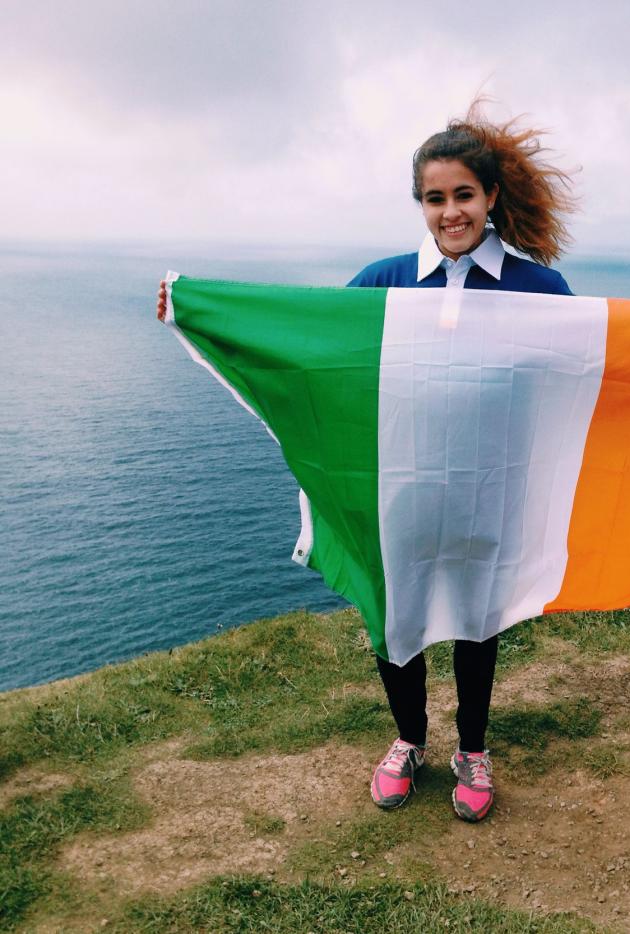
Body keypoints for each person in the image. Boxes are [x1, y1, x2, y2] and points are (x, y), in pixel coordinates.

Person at [157, 104, 576, 823]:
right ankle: (409, 738)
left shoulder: (537, 291)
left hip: (488, 486)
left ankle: (472, 749)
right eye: (435, 198)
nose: (451, 213)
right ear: (420, 203)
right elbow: (307, 345)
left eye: (464, 196)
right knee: (396, 613)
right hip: (396, 484)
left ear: (491, 198)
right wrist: (196, 308)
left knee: (479, 621)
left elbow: (595, 367)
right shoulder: (383, 280)